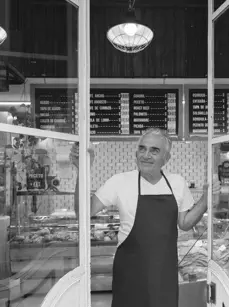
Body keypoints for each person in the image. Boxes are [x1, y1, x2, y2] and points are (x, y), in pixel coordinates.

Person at [70, 128, 220, 307]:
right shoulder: (120, 182)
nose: (146, 155)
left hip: (164, 274)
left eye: (154, 151)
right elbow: (83, 213)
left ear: (166, 158)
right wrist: (82, 170)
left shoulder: (177, 183)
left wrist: (205, 200)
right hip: (129, 273)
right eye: (142, 148)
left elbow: (185, 223)